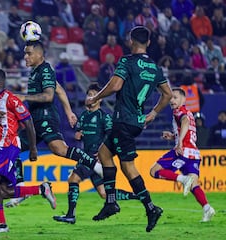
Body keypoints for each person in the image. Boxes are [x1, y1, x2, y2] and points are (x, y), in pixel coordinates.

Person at [86, 26, 173, 232]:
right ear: (149, 43)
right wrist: (153, 113)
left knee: (128, 167)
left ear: (130, 41)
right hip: (136, 121)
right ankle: (110, 202)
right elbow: (168, 94)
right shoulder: (154, 67)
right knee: (104, 154)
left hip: (123, 120)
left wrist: (95, 97)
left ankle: (150, 208)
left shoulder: (127, 61)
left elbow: (115, 85)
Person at [6, 40, 103, 206]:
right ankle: (21, 189)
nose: (25, 57)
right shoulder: (37, 71)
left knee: (59, 149)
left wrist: (25, 97)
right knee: (11, 148)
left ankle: (94, 165)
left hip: (45, 116)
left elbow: (49, 95)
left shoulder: (45, 70)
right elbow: (59, 89)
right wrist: (69, 111)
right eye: (25, 53)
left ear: (39, 54)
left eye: (29, 53)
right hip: (35, 120)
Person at [0, 69, 56, 233]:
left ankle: (1, 225)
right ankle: (41, 189)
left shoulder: (11, 99)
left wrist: (33, 148)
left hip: (8, 145)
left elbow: (28, 122)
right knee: (2, 190)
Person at [53, 83, 139, 224]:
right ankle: (137, 195)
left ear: (99, 99)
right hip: (86, 155)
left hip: (93, 157)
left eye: (94, 94)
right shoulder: (84, 115)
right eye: (89, 94)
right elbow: (80, 132)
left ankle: (70, 215)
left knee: (73, 179)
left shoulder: (104, 117)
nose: (90, 97)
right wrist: (79, 133)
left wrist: (103, 153)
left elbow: (111, 135)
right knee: (104, 193)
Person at [150, 88, 215, 222]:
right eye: (171, 98)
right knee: (194, 185)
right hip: (194, 154)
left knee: (154, 171)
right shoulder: (189, 113)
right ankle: (207, 208)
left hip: (182, 151)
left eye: (175, 97)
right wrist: (174, 136)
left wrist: (179, 142)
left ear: (183, 99)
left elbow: (184, 121)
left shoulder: (180, 111)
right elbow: (187, 128)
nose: (171, 100)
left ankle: (182, 179)